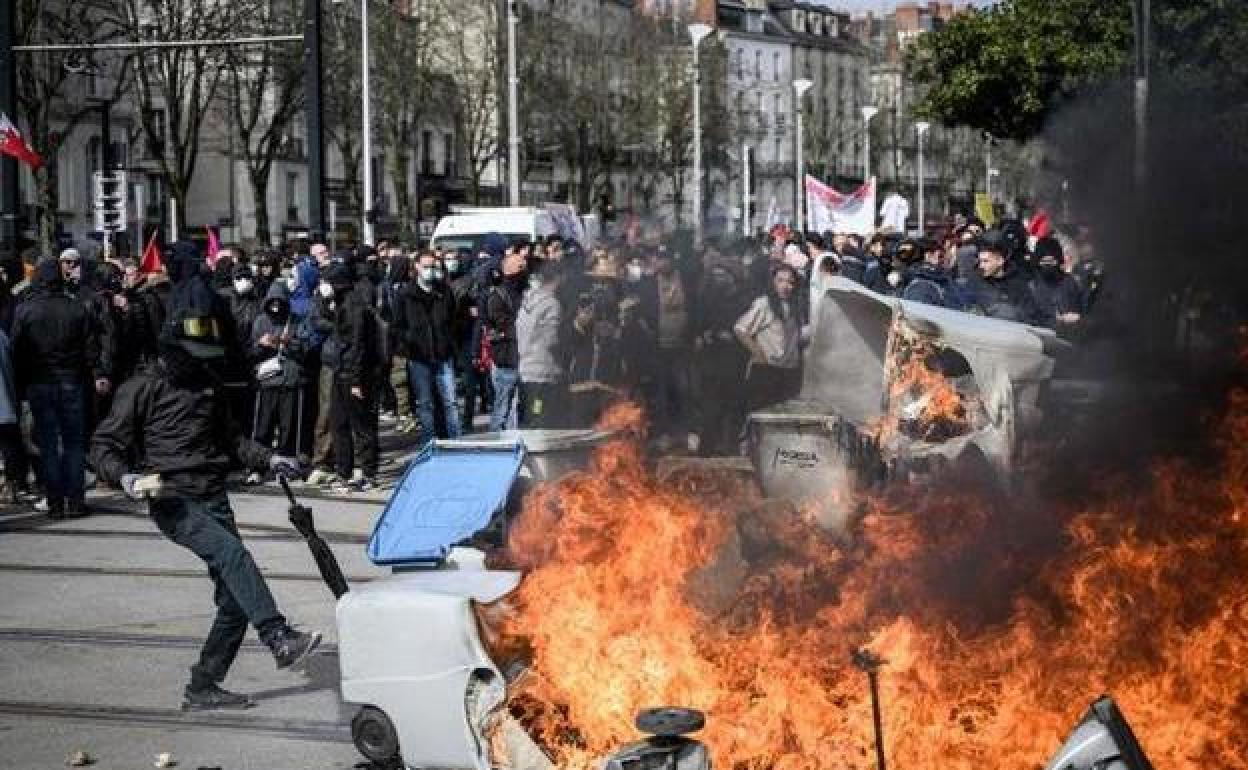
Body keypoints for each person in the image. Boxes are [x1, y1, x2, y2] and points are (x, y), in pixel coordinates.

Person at [89, 282, 320, 711]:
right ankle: (278, 636)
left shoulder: (209, 383)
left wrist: (270, 459)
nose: (201, 366)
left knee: (233, 599)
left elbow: (232, 441)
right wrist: (125, 479)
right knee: (233, 556)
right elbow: (103, 446)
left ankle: (203, 686)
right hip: (173, 499)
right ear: (174, 350)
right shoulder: (141, 387)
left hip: (214, 494)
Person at [10, 255, 105, 518]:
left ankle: (54, 502)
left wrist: (21, 385)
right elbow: (92, 349)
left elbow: (17, 351)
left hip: (39, 383)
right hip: (72, 381)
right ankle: (75, 500)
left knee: (48, 444)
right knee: (74, 443)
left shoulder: (26, 310)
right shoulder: (76, 308)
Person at [324, 264, 381, 491]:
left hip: (353, 373)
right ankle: (343, 472)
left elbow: (358, 345)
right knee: (339, 424)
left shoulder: (354, 307)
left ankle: (368, 472)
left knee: (361, 425)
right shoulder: (341, 304)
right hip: (342, 370)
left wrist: (356, 380)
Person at [394, 251, 461, 445]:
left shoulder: (444, 292)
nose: (430, 271)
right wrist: (408, 343)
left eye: (433, 266)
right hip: (419, 356)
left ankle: (456, 442)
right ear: (416, 267)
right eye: (426, 267)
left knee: (451, 402)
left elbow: (452, 320)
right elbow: (397, 325)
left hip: (443, 354)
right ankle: (429, 443)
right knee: (425, 404)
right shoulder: (405, 294)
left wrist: (449, 342)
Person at [249, 292, 311, 475]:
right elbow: (252, 352)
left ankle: (287, 464)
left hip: (290, 380)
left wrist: (284, 342)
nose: (276, 306)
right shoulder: (260, 321)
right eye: (272, 302)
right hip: (267, 381)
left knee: (289, 427)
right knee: (263, 427)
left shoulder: (296, 321)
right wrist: (262, 345)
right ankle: (258, 466)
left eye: (279, 302)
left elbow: (304, 350)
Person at [735, 265, 804, 413]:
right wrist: (758, 353)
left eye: (790, 282)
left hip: (788, 371)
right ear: (773, 282)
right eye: (780, 281)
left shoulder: (795, 306)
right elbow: (740, 329)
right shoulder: (764, 303)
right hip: (767, 370)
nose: (785, 286)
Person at [517, 258, 565, 428]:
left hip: (525, 369)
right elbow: (552, 340)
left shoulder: (526, 303)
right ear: (558, 278)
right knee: (540, 420)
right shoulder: (552, 305)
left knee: (529, 418)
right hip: (543, 372)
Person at [485, 244, 527, 432]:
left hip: (524, 359)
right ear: (508, 269)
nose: (524, 270)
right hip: (506, 360)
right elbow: (503, 324)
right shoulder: (498, 296)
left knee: (520, 410)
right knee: (502, 409)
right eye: (520, 267)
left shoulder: (526, 293)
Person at [966, 231, 1044, 325]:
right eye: (980, 261)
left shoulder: (1020, 284)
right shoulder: (975, 281)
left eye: (986, 261)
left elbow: (1030, 315)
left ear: (1000, 261)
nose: (981, 266)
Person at [1029, 236, 1084, 330]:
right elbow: (1028, 317)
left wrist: (1078, 318)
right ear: (1038, 262)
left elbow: (1083, 309)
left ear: (1058, 261)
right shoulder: (1031, 286)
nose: (1048, 266)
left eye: (1051, 261)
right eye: (1044, 262)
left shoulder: (1071, 283)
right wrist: (1056, 320)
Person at [901, 237, 960, 309]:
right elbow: (921, 317)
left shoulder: (939, 279)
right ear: (927, 255)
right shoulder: (920, 287)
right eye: (940, 256)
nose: (942, 260)